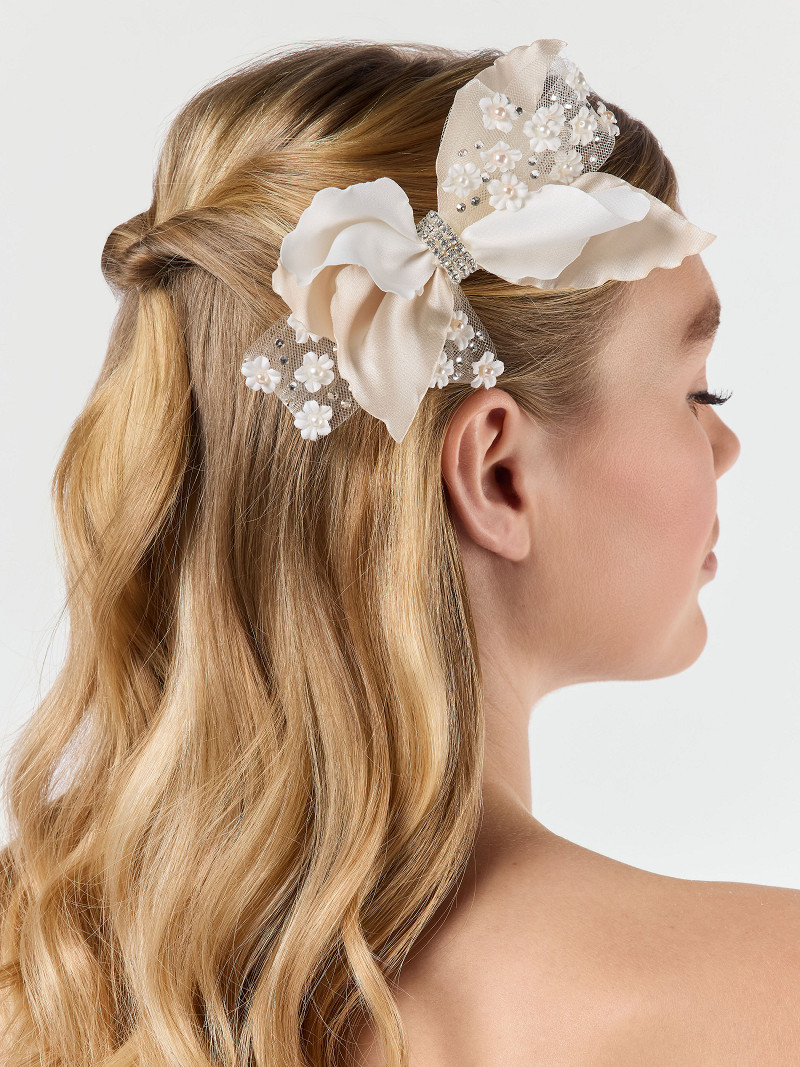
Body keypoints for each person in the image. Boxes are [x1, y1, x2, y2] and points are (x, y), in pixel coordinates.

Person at [0, 35, 796, 1067]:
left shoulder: (41, 975)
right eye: (696, 392)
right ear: (497, 474)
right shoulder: (764, 991)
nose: (725, 445)